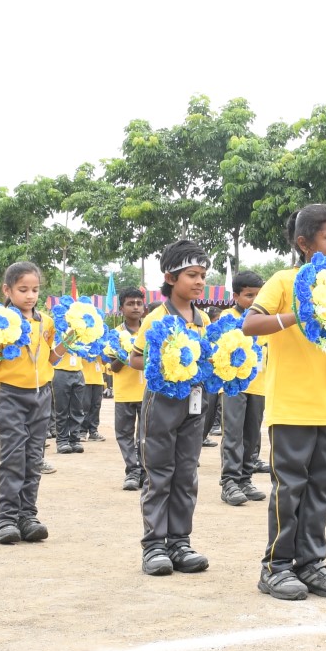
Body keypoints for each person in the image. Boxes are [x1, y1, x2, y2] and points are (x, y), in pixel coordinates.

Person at [241, 204, 326, 600]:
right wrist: (296, 316)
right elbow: (250, 324)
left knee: (321, 488)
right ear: (305, 243)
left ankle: (312, 563)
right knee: (289, 488)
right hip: (291, 405)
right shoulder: (284, 281)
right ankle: (276, 567)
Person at [131, 241, 212, 575]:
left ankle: (180, 541)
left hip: (195, 403)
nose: (199, 281)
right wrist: (163, 364)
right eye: (192, 274)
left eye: (203, 275)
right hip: (162, 402)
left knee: (186, 472)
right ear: (170, 276)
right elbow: (136, 357)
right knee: (159, 472)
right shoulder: (155, 318)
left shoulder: (203, 317)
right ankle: (154, 545)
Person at [0, 262, 70, 544]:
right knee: (13, 458)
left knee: (34, 458)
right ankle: (6, 519)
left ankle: (28, 515)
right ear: (7, 290)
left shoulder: (46, 322)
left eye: (35, 289)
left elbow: (51, 359)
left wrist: (69, 340)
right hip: (11, 395)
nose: (30, 295)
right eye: (23, 290)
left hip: (42, 394)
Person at [218, 273, 268, 505]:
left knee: (252, 433)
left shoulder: (265, 319)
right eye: (249, 295)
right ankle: (229, 482)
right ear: (236, 296)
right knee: (233, 433)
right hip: (232, 385)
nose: (255, 299)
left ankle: (245, 479)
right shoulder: (227, 317)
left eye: (259, 295)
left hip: (258, 385)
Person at [107, 288, 147, 491]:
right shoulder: (115, 334)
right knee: (124, 433)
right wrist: (126, 354)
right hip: (124, 392)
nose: (136, 307)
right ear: (121, 308)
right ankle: (132, 471)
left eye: (139, 303)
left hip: (148, 392)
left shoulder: (149, 331)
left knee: (145, 435)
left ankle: (145, 472)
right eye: (131, 304)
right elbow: (113, 366)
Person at [51, 314, 87, 455]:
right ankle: (62, 441)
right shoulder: (58, 330)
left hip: (78, 372)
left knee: (78, 409)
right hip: (61, 372)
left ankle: (75, 439)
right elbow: (55, 350)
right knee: (62, 409)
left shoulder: (82, 332)